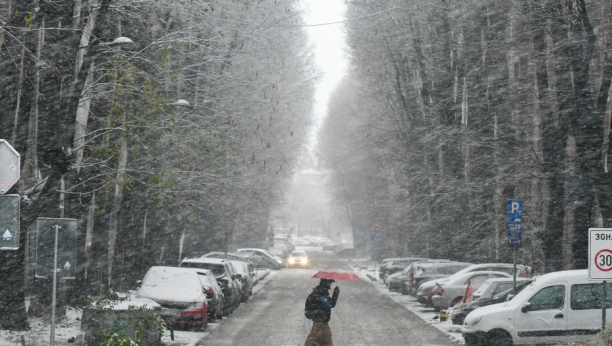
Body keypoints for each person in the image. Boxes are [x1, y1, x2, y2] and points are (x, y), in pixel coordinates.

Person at [304, 279, 340, 346]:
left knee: (327, 337)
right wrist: (318, 312)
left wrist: (336, 293)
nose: (330, 285)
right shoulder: (320, 294)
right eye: (329, 283)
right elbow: (330, 304)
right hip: (319, 322)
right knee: (313, 339)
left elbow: (330, 304)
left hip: (323, 321)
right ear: (325, 283)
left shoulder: (322, 292)